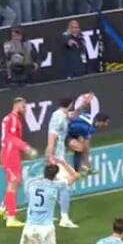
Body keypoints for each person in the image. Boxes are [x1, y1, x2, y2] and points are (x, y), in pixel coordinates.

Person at [7, 163, 64, 244]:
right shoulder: (56, 188)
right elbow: (67, 183)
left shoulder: (31, 185)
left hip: (30, 226)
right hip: (46, 227)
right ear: (55, 175)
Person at [45, 96, 89, 229]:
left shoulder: (62, 115)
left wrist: (83, 106)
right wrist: (50, 156)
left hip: (58, 155)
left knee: (60, 184)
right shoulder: (58, 117)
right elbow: (52, 136)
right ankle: (64, 218)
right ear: (70, 104)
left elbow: (73, 114)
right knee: (69, 180)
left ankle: (49, 212)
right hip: (57, 157)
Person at [0, 97, 37, 228]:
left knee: (14, 182)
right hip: (10, 154)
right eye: (23, 107)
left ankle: (3, 207)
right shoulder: (13, 119)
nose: (25, 110)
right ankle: (11, 217)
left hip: (11, 153)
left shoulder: (10, 118)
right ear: (17, 105)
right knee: (13, 183)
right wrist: (26, 147)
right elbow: (11, 138)